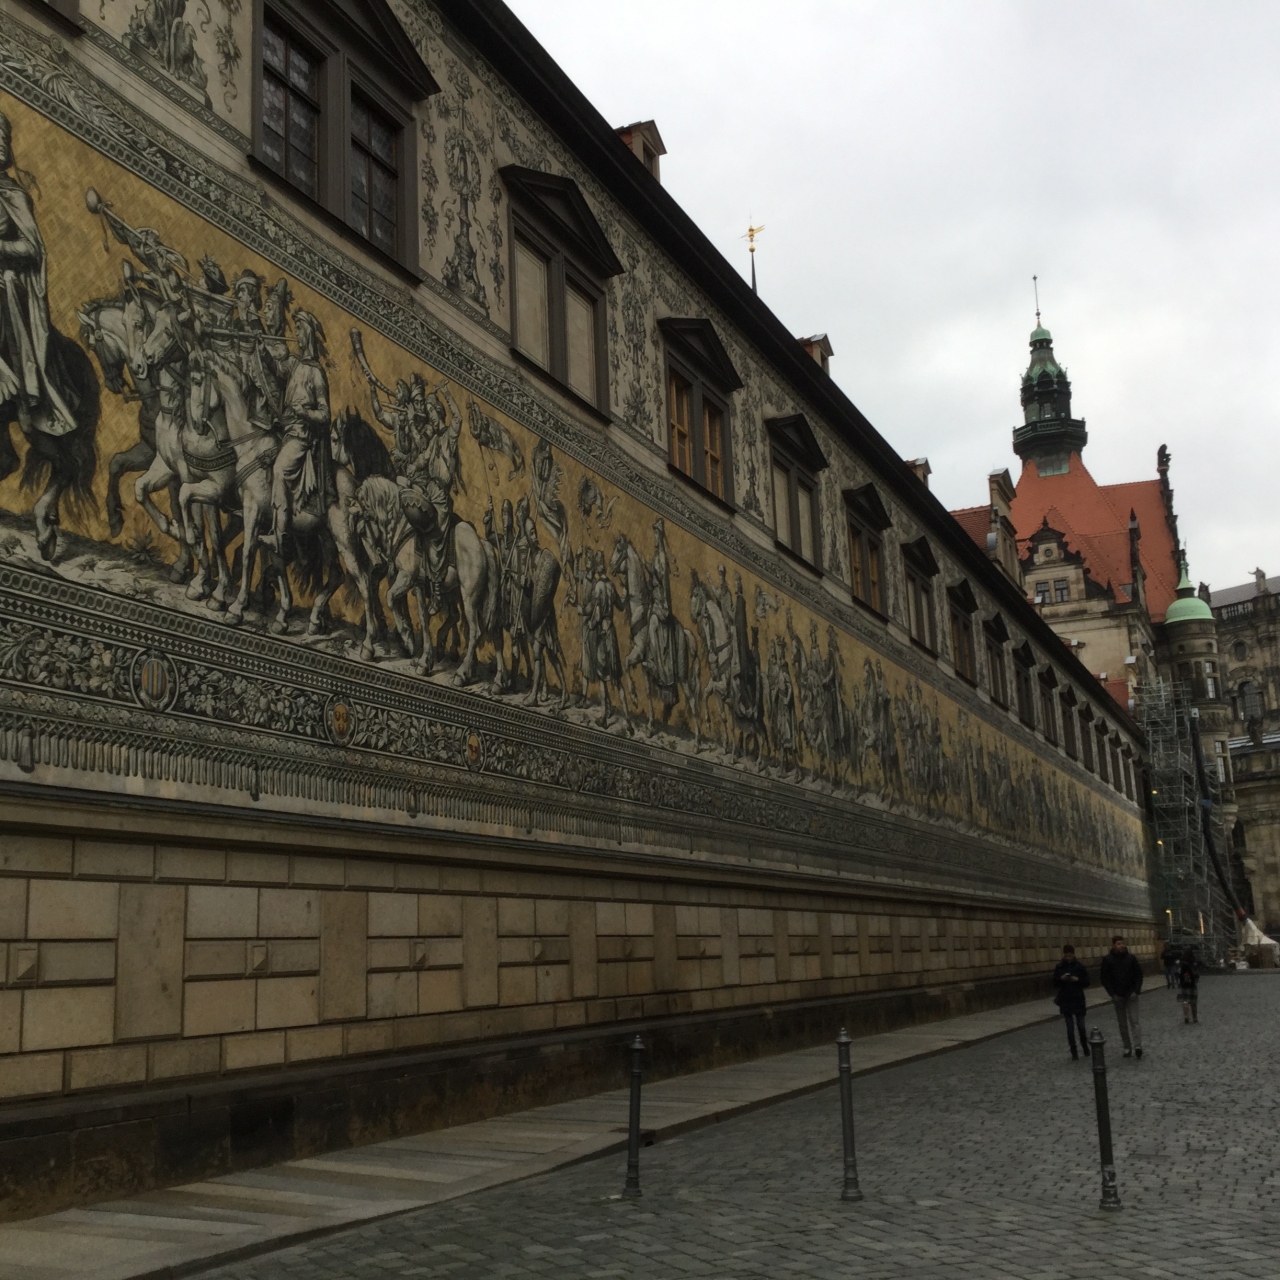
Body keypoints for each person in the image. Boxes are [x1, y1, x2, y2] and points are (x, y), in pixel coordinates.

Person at [1099, 935, 1144, 1059]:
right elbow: (1104, 978)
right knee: (1122, 1023)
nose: (1122, 946)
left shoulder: (1131, 958)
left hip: (1131, 994)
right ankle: (1127, 1047)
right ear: (1114, 945)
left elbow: (1139, 975)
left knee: (1134, 1021)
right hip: (1118, 996)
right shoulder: (1108, 960)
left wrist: (1136, 990)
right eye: (1119, 944)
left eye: (1123, 943)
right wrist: (1112, 994)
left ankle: (1138, 1046)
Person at [1052, 944, 1090, 1060]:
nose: (1068, 957)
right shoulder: (1060, 967)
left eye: (1070, 955)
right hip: (1066, 1000)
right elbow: (1054, 983)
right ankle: (1073, 1051)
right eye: (1066, 955)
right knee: (1070, 1029)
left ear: (1073, 954)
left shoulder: (1079, 966)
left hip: (1078, 999)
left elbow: (1087, 982)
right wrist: (1061, 978)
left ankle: (1085, 1046)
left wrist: (1078, 980)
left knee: (1081, 1026)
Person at [1177, 947, 1199, 1025]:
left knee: (1185, 1001)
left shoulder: (1181, 962)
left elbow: (1178, 972)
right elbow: (1196, 972)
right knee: (1193, 1002)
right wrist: (1195, 979)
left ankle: (1186, 1016)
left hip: (1184, 984)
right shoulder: (1194, 960)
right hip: (1192, 983)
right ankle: (1195, 1018)